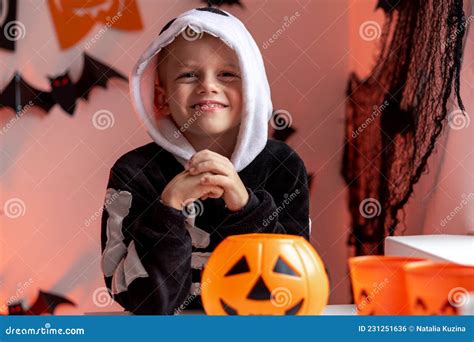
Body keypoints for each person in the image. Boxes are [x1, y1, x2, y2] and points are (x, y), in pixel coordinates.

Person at [100, 7, 310, 315]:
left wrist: (246, 208)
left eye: (227, 74)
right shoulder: (134, 172)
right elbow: (140, 300)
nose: (207, 86)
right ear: (161, 98)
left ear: (252, 88)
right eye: (188, 74)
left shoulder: (283, 166)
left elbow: (294, 291)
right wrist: (168, 207)